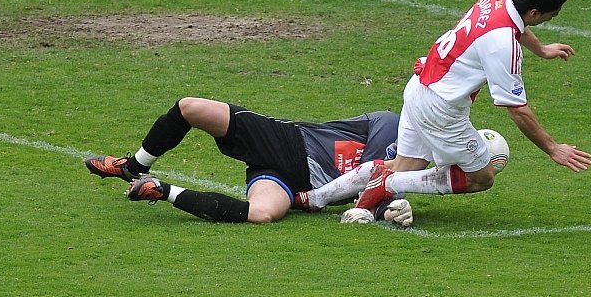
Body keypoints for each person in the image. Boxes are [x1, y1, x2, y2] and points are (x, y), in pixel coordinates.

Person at [303, 0, 591, 222]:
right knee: (481, 177)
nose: (554, 18)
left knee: (405, 164)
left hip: (419, 85)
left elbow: (519, 25)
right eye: (553, 14)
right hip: (440, 108)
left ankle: (314, 198)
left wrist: (541, 50)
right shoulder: (502, 45)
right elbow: (518, 110)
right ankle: (387, 183)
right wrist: (553, 149)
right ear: (534, 13)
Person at [84, 97, 414, 226]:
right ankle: (135, 165)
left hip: (288, 180)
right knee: (190, 108)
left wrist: (392, 210)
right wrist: (379, 206)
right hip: (286, 141)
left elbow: (377, 193)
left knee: (260, 215)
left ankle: (162, 190)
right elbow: (372, 179)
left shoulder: (407, 172)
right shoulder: (391, 124)